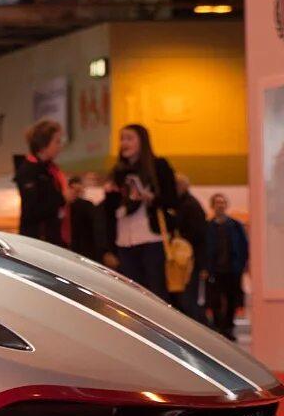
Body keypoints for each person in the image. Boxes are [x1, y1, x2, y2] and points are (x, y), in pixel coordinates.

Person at [101, 123, 177, 301]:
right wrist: (110, 194)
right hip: (124, 240)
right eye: (122, 139)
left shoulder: (158, 166)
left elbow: (172, 199)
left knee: (155, 293)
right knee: (131, 294)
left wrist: (150, 197)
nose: (124, 143)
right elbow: (110, 211)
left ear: (142, 141)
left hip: (151, 238)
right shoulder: (117, 171)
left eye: (129, 138)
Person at [12, 119, 68, 245]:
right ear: (43, 144)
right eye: (57, 141)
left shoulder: (51, 169)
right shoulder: (28, 170)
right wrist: (62, 198)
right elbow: (32, 211)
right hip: (38, 240)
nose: (60, 146)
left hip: (53, 237)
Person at [202, 192, 249, 340]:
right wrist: (205, 268)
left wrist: (243, 265)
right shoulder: (208, 227)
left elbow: (244, 246)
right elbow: (204, 248)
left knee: (232, 299)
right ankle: (218, 327)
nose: (220, 205)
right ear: (213, 206)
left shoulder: (235, 226)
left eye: (222, 203)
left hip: (232, 269)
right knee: (214, 300)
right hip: (214, 270)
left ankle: (228, 327)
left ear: (226, 205)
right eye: (217, 203)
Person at [171, 174, 209, 317]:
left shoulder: (189, 205)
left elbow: (197, 235)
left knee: (188, 299)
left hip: (188, 259)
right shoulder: (186, 204)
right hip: (190, 258)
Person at [65, 175, 107, 263]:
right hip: (73, 247)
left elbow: (97, 228)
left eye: (78, 191)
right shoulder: (65, 206)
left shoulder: (86, 206)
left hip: (85, 249)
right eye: (73, 190)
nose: (75, 193)